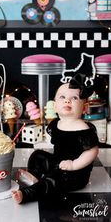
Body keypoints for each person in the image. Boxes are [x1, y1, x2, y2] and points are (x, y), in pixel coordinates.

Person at [12, 73, 99, 204]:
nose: (67, 101)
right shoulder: (56, 123)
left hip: (75, 174)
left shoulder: (83, 129)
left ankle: (27, 194)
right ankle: (34, 176)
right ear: (55, 106)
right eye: (62, 97)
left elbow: (92, 152)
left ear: (84, 108)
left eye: (74, 98)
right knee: (38, 155)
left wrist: (73, 165)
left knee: (53, 181)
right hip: (58, 164)